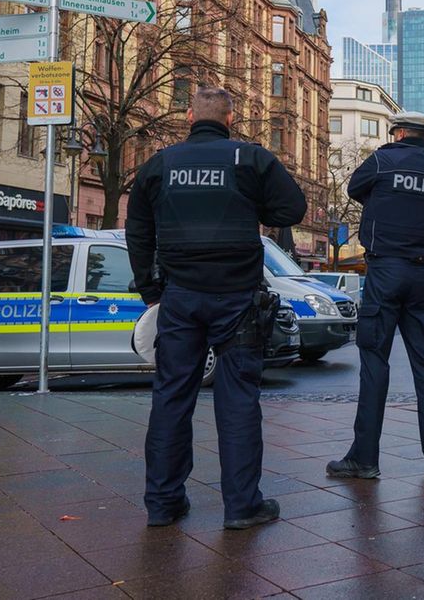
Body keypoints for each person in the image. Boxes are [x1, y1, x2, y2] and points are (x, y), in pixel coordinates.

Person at [125, 87, 306, 530]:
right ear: (230, 118)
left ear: (190, 117)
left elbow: (137, 229)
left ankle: (163, 504)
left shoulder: (161, 164)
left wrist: (151, 290)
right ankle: (242, 507)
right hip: (237, 298)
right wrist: (252, 204)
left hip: (180, 298)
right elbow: (293, 207)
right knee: (239, 400)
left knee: (171, 398)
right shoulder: (249, 159)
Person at [328, 111, 424, 480]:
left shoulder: (382, 160)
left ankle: (364, 459)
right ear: (423, 135)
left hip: (384, 272)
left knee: (374, 363)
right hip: (420, 274)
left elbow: (354, 189)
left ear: (398, 133)